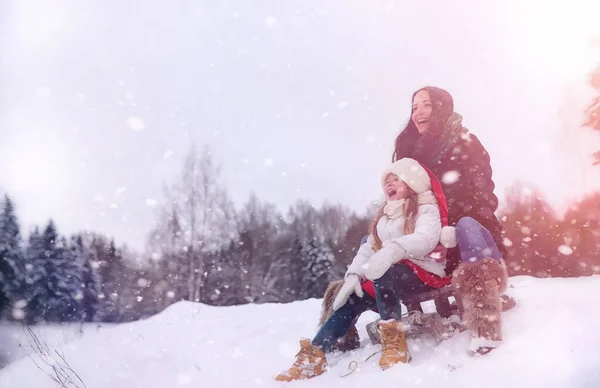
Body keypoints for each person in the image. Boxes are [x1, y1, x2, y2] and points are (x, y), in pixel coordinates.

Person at [275, 158, 454, 382]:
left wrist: (391, 252)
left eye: (396, 179)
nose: (390, 184)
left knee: (382, 272)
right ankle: (314, 355)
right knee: (353, 298)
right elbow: (369, 248)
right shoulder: (385, 215)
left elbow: (425, 239)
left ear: (411, 183)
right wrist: (353, 276)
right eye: (387, 181)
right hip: (388, 276)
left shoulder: (426, 207)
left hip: (423, 272)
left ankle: (394, 344)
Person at [393, 86, 509, 354]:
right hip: (436, 243)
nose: (418, 113)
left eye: (426, 105)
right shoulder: (411, 156)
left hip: (474, 238)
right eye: (414, 107)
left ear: (441, 108)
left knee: (468, 225)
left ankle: (485, 329)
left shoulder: (466, 142)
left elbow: (485, 199)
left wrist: (453, 221)